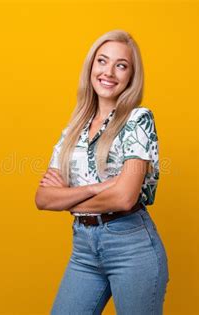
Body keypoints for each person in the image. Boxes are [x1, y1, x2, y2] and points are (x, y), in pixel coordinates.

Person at [35, 29, 169, 315]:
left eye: (121, 65)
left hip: (131, 247)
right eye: (102, 61)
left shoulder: (138, 121)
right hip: (84, 249)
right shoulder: (74, 129)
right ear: (91, 67)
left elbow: (124, 198)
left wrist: (68, 199)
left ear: (131, 76)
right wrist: (96, 188)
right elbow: (43, 198)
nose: (109, 72)